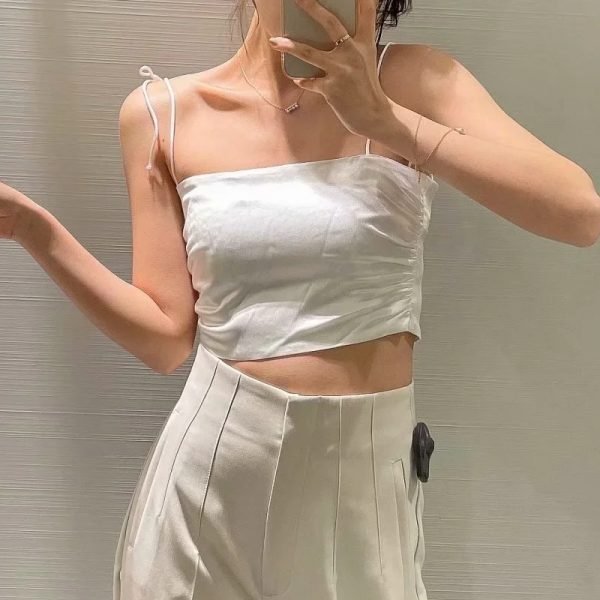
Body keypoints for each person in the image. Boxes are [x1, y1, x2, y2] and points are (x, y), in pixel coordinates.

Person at [1, 1, 598, 599]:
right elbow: (164, 339)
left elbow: (578, 214)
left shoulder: (413, 81)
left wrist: (387, 121)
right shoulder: (164, 115)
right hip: (210, 485)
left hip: (363, 483)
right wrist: (35, 230)